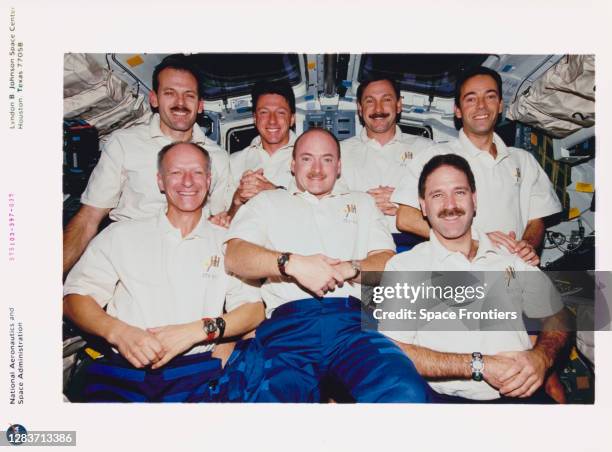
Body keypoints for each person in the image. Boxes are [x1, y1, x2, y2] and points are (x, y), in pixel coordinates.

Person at [222, 128, 430, 403]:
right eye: (307, 159)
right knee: (265, 402)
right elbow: (235, 255)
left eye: (327, 159)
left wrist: (350, 268)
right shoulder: (266, 202)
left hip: (355, 328)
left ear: (339, 166)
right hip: (287, 331)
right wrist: (291, 264)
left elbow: (386, 264)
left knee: (405, 391)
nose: (317, 169)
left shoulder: (362, 203)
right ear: (293, 165)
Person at [63, 142, 263, 402]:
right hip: (122, 371)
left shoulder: (227, 242)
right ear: (160, 181)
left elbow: (253, 309)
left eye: (197, 172)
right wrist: (119, 333)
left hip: (197, 371)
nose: (188, 181)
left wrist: (198, 331)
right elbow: (74, 298)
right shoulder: (121, 235)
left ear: (209, 180)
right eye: (176, 173)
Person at [380, 154, 569, 403]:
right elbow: (394, 350)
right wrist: (479, 365)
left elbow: (558, 315)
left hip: (523, 397)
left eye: (459, 192)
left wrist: (542, 357)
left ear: (474, 200)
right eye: (437, 195)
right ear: (423, 206)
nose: (450, 204)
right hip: (449, 404)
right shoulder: (405, 267)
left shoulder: (511, 257)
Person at [63, 54, 230, 274]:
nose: (180, 103)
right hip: (130, 260)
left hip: (190, 263)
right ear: (154, 99)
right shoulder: (124, 143)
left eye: (189, 95)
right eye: (170, 93)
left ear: (200, 105)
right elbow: (88, 218)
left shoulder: (218, 157)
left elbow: (219, 221)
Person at [393, 66, 561, 263]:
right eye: (471, 99)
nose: (481, 106)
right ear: (457, 110)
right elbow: (405, 218)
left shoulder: (523, 161)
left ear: (499, 105)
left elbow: (536, 218)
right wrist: (475, 239)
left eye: (489, 97)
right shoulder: (435, 157)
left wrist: (528, 245)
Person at [340, 77, 434, 234]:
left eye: (386, 100)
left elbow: (442, 199)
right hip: (357, 243)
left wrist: (403, 202)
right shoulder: (340, 152)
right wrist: (363, 202)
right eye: (370, 101)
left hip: (415, 244)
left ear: (398, 105)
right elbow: (327, 204)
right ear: (360, 109)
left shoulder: (426, 149)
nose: (378, 109)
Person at [227, 80, 297, 218]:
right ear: (255, 118)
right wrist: (237, 201)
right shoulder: (233, 162)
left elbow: (317, 213)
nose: (272, 120)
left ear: (292, 119)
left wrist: (275, 192)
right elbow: (224, 221)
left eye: (280, 113)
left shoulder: (310, 159)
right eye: (264, 112)